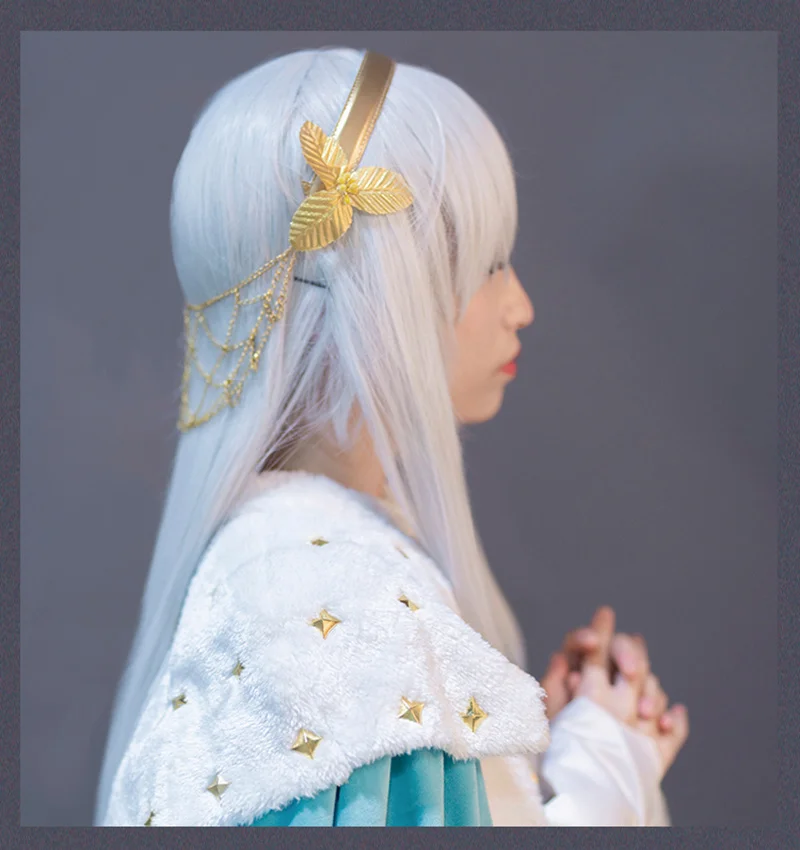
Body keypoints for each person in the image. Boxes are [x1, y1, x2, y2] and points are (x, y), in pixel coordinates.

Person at [94, 47, 689, 827]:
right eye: (490, 264)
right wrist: (608, 764)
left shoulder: (301, 566)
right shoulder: (334, 598)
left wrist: (502, 757)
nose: (521, 307)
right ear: (381, 289)